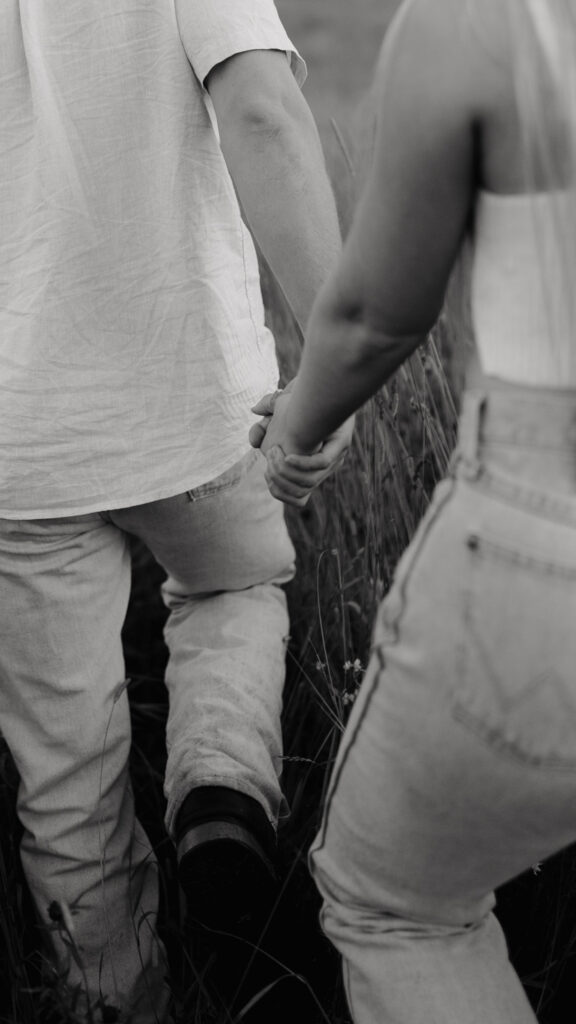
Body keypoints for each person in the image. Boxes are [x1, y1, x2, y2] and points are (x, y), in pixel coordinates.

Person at [252, 0, 576, 1020]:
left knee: (394, 905)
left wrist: (291, 436)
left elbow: (369, 319)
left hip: (553, 548)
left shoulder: (475, 24)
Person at [0, 1, 346, 1021]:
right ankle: (222, 786)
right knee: (234, 581)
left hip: (22, 439)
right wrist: (333, 364)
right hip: (199, 409)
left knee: (62, 770)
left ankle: (117, 997)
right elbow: (264, 114)